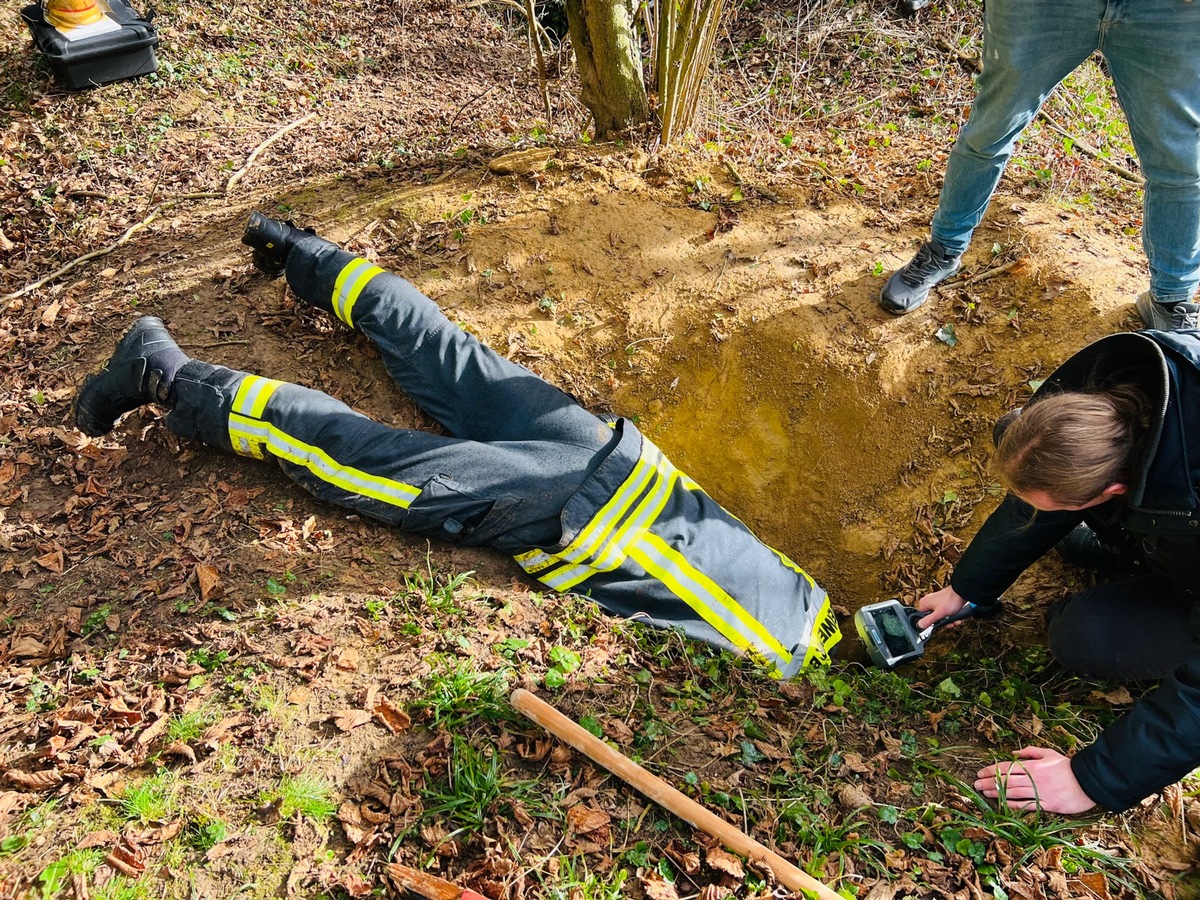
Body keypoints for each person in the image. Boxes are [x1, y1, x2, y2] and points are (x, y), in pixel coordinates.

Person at [74, 214, 842, 677]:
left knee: (447, 352)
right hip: (577, 516)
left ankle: (296, 250)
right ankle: (165, 374)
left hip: (621, 455)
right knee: (361, 459)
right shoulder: (781, 659)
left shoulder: (812, 597)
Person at [916, 328, 1200, 814]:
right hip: (1176, 538)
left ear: (1114, 489)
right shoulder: (1119, 394)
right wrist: (966, 587)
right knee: (1065, 542)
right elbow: (1043, 493)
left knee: (1081, 637)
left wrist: (1091, 778)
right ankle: (1146, 555)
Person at [880, 0, 1200, 331]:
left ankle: (1171, 300)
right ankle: (943, 251)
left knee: (1180, 160)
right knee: (991, 127)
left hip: (1169, 10)